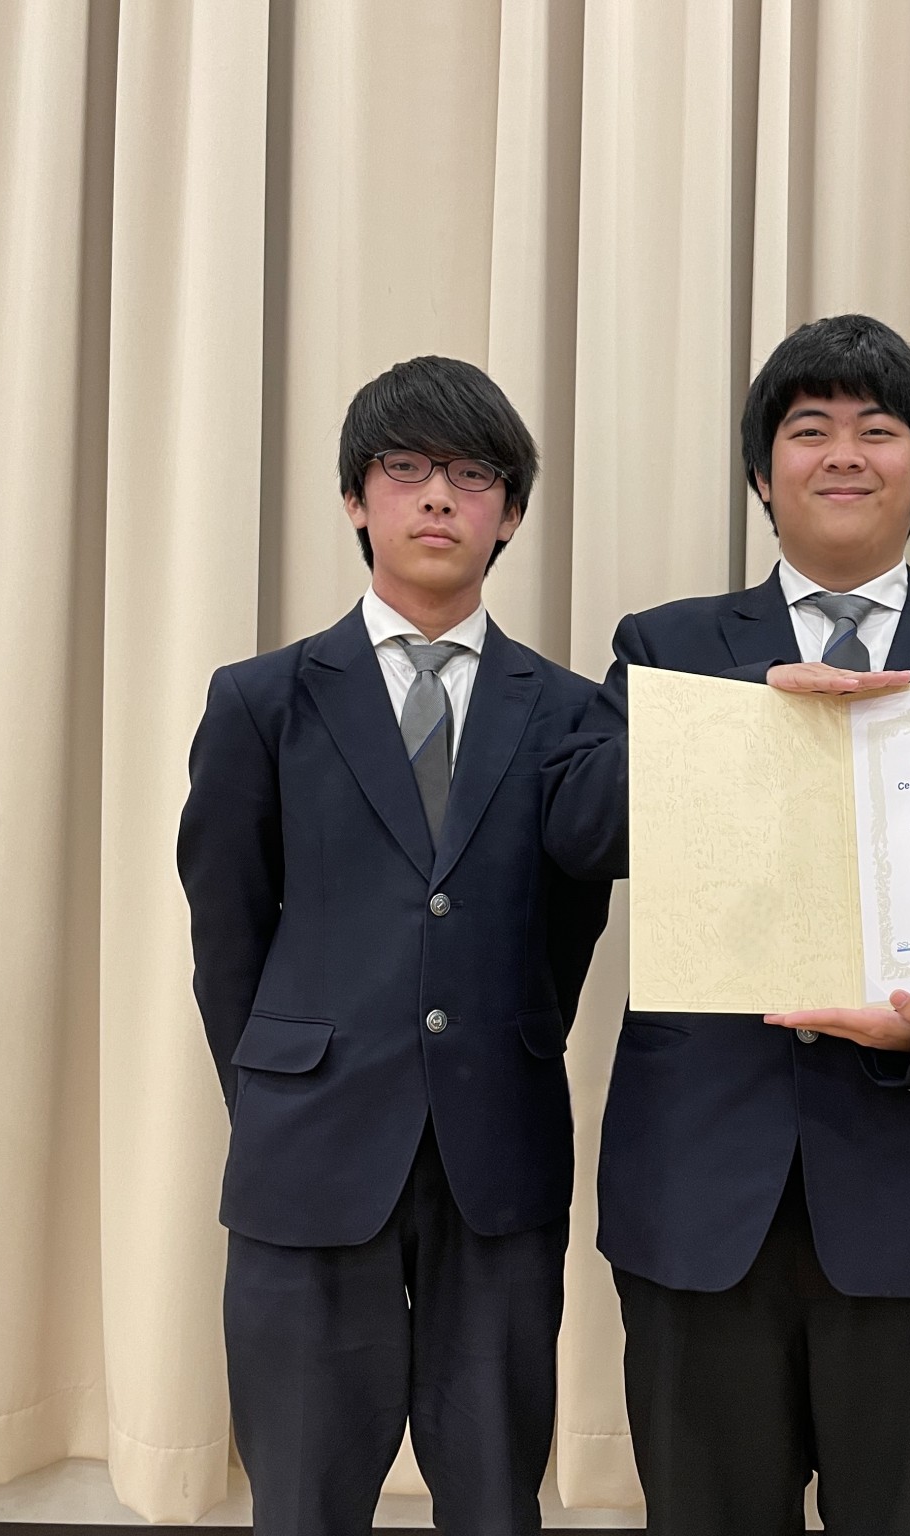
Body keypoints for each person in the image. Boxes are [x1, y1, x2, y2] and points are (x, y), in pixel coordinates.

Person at [544, 314, 910, 1536]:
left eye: (877, 431)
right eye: (808, 429)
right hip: (700, 1194)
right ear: (761, 474)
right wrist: (743, 713)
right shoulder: (668, 647)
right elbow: (576, 833)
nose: (843, 454)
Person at [177, 355, 611, 1536]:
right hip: (309, 1152)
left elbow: (567, 928)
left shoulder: (571, 714)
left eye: (472, 475)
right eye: (405, 467)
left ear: (508, 514)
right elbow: (227, 931)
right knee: (302, 1498)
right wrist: (280, 1089)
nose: (435, 497)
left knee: (494, 1497)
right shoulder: (261, 701)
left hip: (498, 1149)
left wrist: (494, 1046)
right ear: (354, 498)